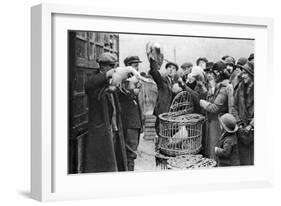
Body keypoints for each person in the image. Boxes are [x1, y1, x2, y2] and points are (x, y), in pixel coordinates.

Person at [83, 52, 136, 173]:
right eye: (111, 66)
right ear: (102, 66)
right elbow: (88, 85)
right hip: (102, 131)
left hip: (114, 129)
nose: (114, 69)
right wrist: (107, 75)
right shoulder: (95, 79)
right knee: (103, 165)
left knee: (115, 161)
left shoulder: (111, 80)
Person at [199, 61, 236, 159]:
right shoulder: (219, 86)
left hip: (218, 123)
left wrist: (202, 103)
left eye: (214, 73)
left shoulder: (224, 88)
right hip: (216, 121)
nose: (212, 76)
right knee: (212, 147)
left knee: (215, 149)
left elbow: (214, 108)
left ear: (218, 73)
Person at [118, 56, 144, 171]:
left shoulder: (135, 79)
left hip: (135, 121)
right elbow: (127, 96)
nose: (137, 67)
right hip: (129, 122)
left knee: (132, 151)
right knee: (130, 153)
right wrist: (134, 90)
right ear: (128, 66)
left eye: (137, 65)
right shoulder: (124, 80)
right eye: (134, 65)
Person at [149, 58, 179, 135]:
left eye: (173, 68)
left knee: (171, 133)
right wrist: (153, 59)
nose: (171, 70)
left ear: (175, 72)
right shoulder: (161, 80)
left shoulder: (175, 83)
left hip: (172, 115)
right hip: (162, 113)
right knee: (162, 134)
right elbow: (154, 72)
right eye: (169, 67)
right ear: (166, 69)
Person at [233, 62, 254, 165]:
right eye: (243, 73)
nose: (243, 75)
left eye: (246, 73)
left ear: (252, 74)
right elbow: (234, 107)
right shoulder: (240, 87)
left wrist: (251, 125)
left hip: (254, 131)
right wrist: (239, 123)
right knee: (244, 160)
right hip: (242, 131)